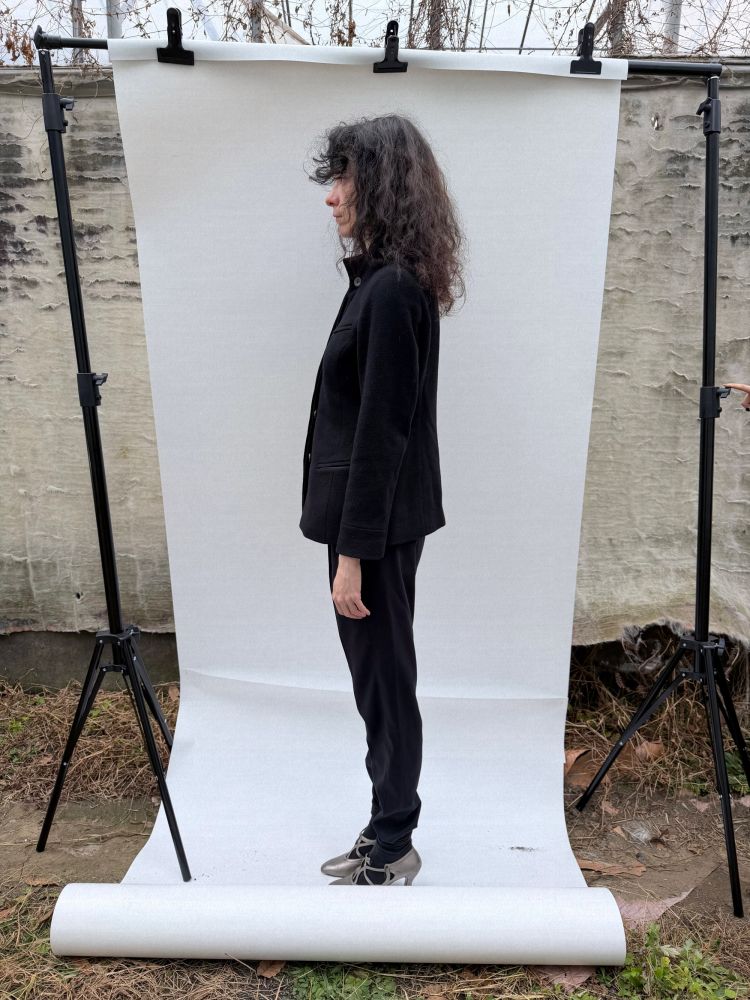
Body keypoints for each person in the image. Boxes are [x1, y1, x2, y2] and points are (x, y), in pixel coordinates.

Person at [299, 114, 465, 886]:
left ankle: (395, 841)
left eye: (344, 179)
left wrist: (353, 557)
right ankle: (385, 826)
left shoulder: (392, 290)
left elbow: (382, 434)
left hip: (377, 530)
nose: (331, 196)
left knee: (385, 682)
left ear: (383, 185)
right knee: (378, 680)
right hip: (372, 525)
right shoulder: (380, 283)